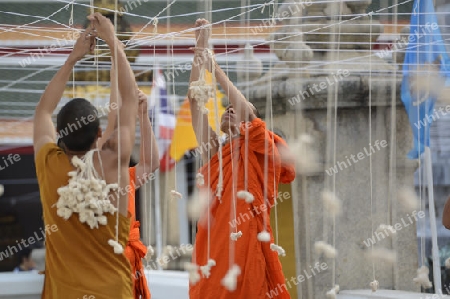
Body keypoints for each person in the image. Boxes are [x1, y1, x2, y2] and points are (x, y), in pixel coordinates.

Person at [187, 19, 296, 299]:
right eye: (226, 110)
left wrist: (216, 68)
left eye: (233, 109)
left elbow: (246, 111)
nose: (229, 112)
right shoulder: (216, 150)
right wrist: (200, 50)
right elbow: (195, 102)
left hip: (246, 237)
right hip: (214, 242)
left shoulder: (261, 145)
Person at [33, 13, 138, 299]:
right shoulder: (112, 159)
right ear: (99, 133)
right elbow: (131, 100)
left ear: (59, 135)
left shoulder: (48, 161)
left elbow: (42, 111)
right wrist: (113, 42)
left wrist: (72, 59)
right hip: (113, 292)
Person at [97, 61, 159, 299]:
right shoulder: (87, 180)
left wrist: (143, 115)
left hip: (128, 262)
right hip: (102, 262)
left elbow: (151, 163)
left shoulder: (127, 178)